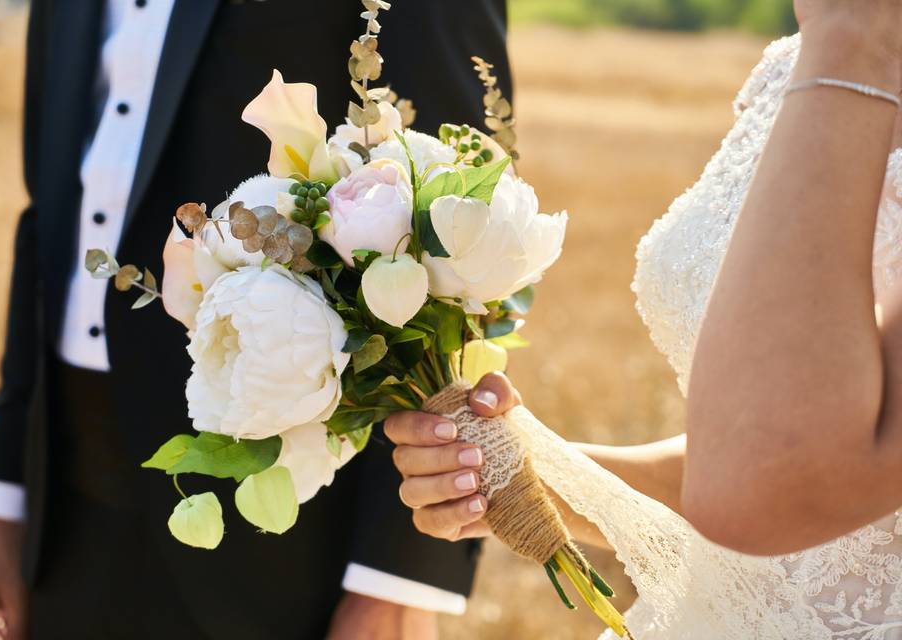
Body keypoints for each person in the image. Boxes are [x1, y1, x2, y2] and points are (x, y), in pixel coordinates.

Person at [0, 2, 511, 639]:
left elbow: (465, 237)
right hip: (65, 518)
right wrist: (5, 502)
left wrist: (398, 583)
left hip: (287, 544)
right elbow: (50, 214)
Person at [383, 1, 902, 638]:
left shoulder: (850, 42)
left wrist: (856, 38)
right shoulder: (803, 60)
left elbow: (770, 477)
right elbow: (762, 444)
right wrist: (539, 477)